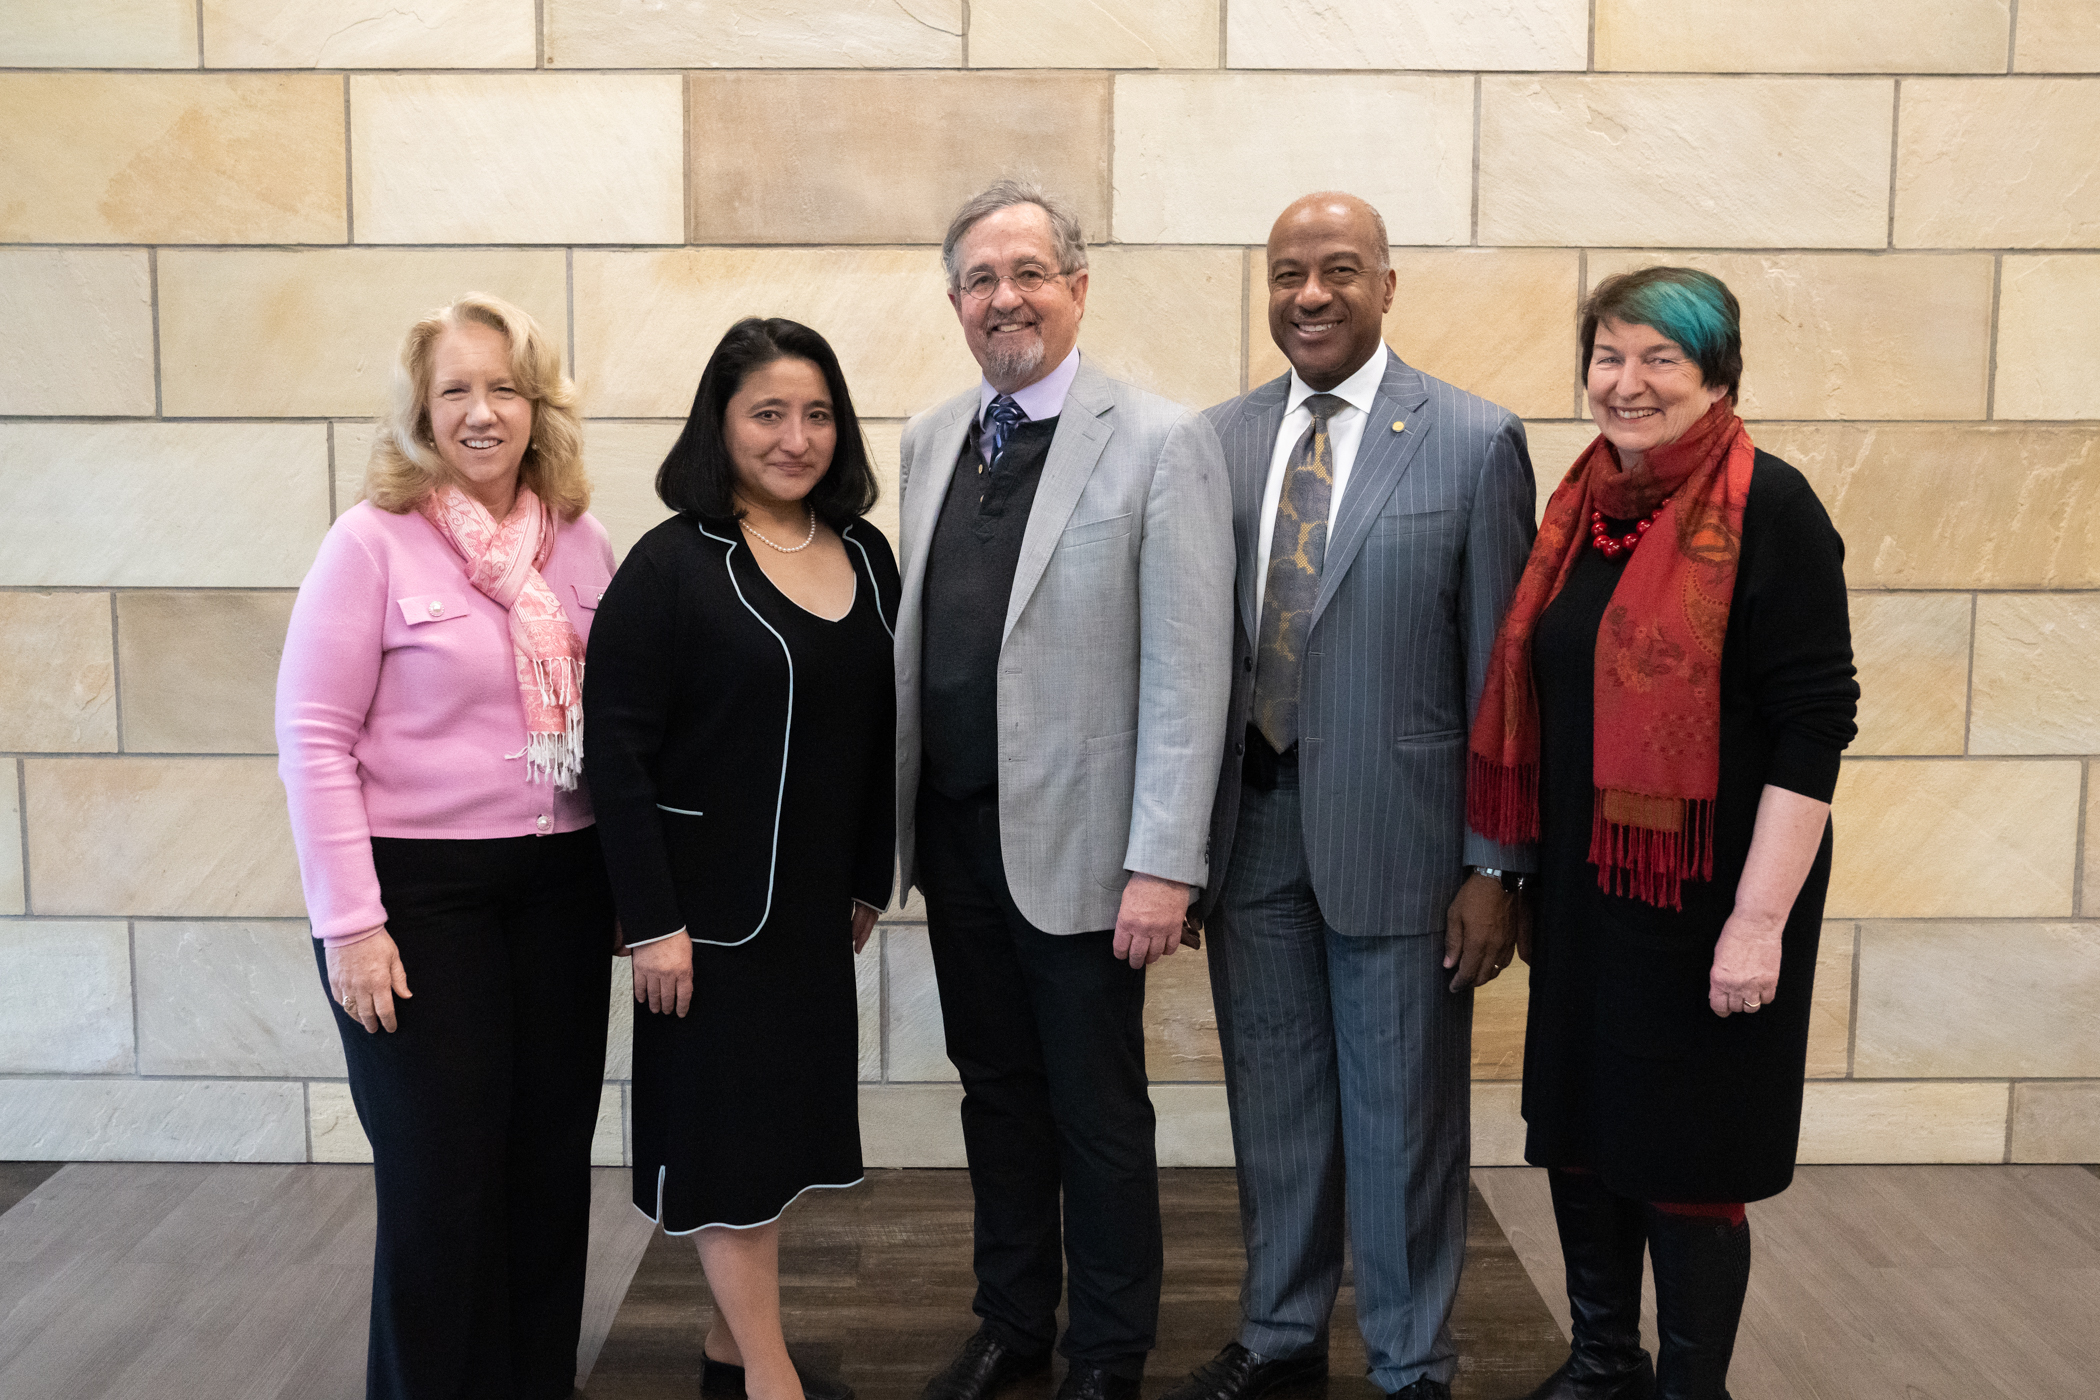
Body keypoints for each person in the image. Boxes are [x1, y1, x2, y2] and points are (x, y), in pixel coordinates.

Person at [1165, 192, 1538, 1400]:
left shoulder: (1475, 440)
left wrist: (1496, 862)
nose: (1308, 294)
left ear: (1387, 283)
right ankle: (1278, 1337)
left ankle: (1410, 1360)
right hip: (1252, 827)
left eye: (1336, 270)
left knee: (1403, 1120)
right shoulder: (1217, 440)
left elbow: (1504, 675)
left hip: (1405, 841)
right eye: (1286, 273)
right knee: (1274, 1107)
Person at [1469, 267, 1857, 1400]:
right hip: (1592, 892)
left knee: (1689, 1154)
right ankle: (1602, 1362)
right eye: (1607, 355)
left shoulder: (1769, 507)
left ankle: (1691, 1386)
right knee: (1586, 1131)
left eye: (1659, 360)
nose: (1625, 383)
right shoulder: (1580, 509)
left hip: (1708, 901)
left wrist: (1756, 924)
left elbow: (1814, 724)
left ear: (1716, 374)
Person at [896, 180, 1233, 1400]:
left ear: (1078, 288)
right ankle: (1012, 1321)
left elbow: (1192, 670)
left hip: (1092, 853)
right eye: (981, 280)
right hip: (955, 838)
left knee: (1097, 1113)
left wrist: (1165, 858)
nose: (1006, 299)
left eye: (1029, 272)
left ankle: (1106, 1349)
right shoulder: (932, 439)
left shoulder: (1158, 440)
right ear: (955, 304)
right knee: (996, 1095)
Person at [276, 293, 616, 1400]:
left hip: (562, 887)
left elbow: (623, 722)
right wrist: (351, 924)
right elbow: (314, 738)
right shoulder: (371, 542)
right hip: (419, 899)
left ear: (538, 407)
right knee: (440, 1181)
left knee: (545, 1167)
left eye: (504, 387)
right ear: (421, 409)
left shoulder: (582, 542)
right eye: (457, 389)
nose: (482, 411)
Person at [584, 317, 897, 1400]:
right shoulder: (672, 564)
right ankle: (769, 1372)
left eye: (816, 413)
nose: (795, 435)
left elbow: (879, 732)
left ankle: (730, 1345)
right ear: (721, 422)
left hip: (811, 913)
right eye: (768, 411)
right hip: (703, 924)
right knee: (723, 1147)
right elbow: (614, 753)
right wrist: (652, 919)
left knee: (780, 1135)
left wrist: (869, 873)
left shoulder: (866, 554)